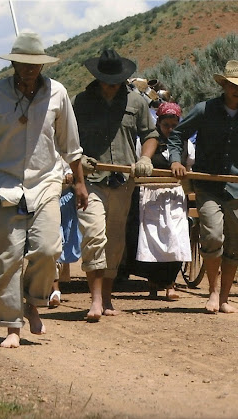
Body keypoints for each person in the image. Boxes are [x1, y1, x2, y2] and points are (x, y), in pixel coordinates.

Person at [0, 33, 87, 347]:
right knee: (6, 259)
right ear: (14, 63)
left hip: (45, 183)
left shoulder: (57, 93)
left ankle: (33, 301)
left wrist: (80, 183)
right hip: (2, 185)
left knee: (48, 249)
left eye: (35, 64)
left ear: (43, 65)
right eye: (23, 63)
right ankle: (12, 327)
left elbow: (71, 145)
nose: (29, 69)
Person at [167, 60, 238, 313]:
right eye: (233, 85)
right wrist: (176, 160)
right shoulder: (204, 110)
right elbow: (178, 134)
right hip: (208, 185)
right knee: (212, 235)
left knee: (234, 244)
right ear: (224, 85)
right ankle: (213, 292)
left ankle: (224, 298)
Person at [73, 48, 159, 321]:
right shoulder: (82, 102)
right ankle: (96, 299)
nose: (111, 85)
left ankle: (107, 297)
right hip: (91, 181)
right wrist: (78, 159)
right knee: (94, 235)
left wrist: (145, 157)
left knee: (114, 240)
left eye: (115, 80)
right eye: (106, 80)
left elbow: (151, 134)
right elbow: (68, 139)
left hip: (123, 182)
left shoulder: (136, 101)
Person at [134, 102, 191, 300]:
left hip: (175, 194)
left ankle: (170, 284)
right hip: (151, 193)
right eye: (166, 125)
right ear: (158, 123)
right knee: (152, 238)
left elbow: (190, 166)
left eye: (174, 125)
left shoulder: (185, 144)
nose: (170, 129)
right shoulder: (148, 143)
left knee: (175, 237)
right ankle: (153, 281)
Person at [49, 162, 82, 308]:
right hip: (47, 196)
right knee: (52, 243)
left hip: (67, 200)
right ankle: (54, 290)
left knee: (65, 243)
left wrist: (72, 175)